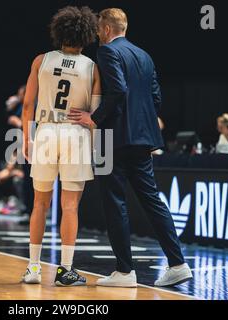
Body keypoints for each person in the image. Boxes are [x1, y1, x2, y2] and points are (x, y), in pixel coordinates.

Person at [69, 8, 192, 287]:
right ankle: (177, 263)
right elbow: (155, 98)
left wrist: (94, 118)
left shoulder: (107, 52)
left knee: (114, 203)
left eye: (100, 29)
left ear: (108, 30)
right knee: (152, 201)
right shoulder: (144, 55)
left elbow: (119, 90)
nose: (98, 35)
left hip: (112, 138)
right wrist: (141, 122)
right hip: (143, 138)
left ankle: (125, 272)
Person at [21, 6, 100, 286]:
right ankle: (65, 270)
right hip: (75, 134)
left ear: (59, 32)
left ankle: (33, 268)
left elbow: (28, 103)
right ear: (86, 34)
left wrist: (26, 137)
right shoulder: (91, 67)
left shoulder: (41, 60)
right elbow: (97, 111)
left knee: (40, 204)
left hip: (44, 131)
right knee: (70, 206)